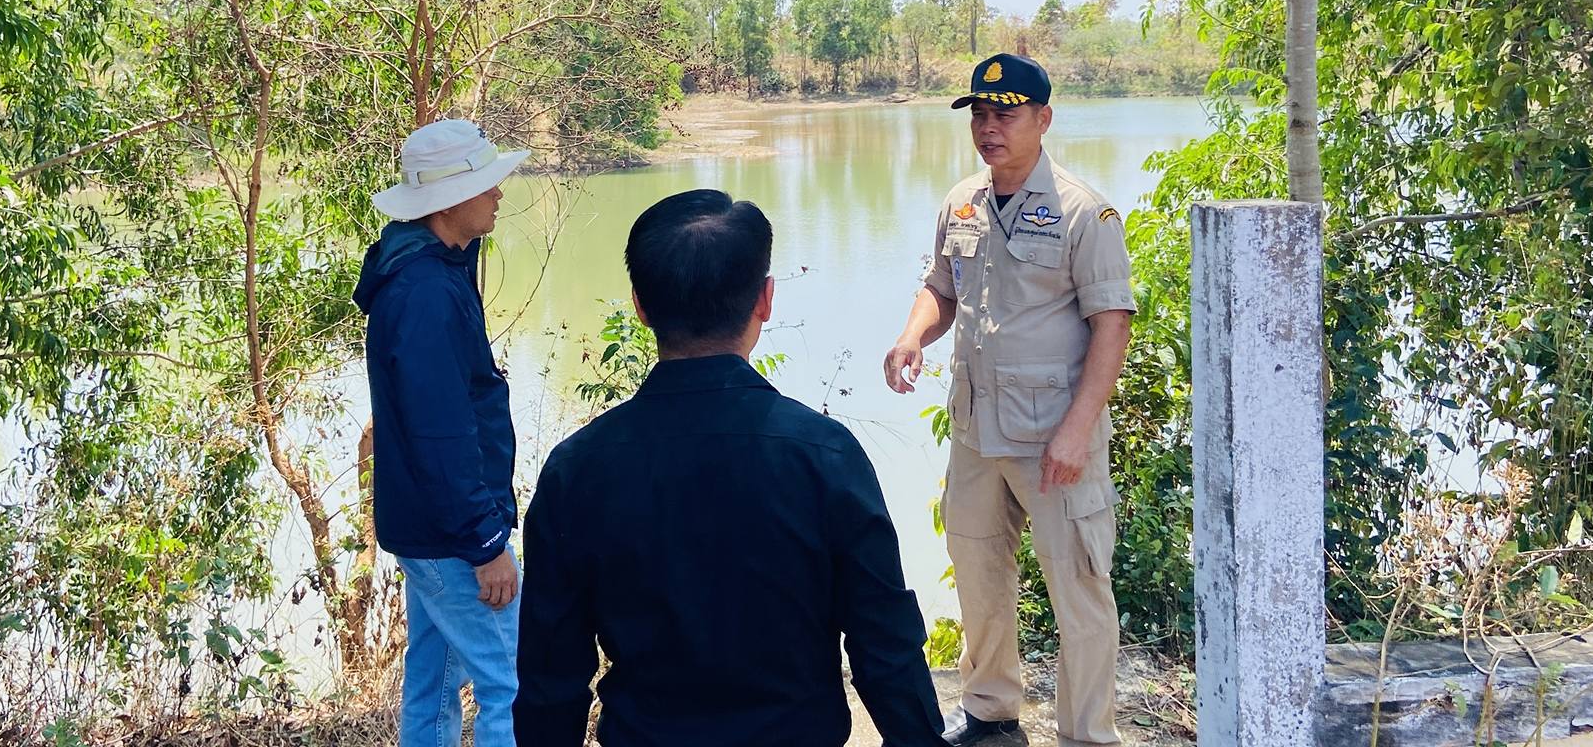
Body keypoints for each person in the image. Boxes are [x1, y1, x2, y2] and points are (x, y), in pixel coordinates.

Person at [513, 189, 948, 747]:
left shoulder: (577, 470)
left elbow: (552, 674)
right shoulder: (824, 456)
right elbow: (884, 642)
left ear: (640, 305)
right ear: (766, 300)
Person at [884, 54, 1135, 747]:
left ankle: (1088, 734)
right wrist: (912, 337)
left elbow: (1111, 322)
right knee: (978, 577)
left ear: (1043, 119)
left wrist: (1078, 430)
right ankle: (992, 709)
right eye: (982, 115)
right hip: (976, 433)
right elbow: (942, 288)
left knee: (1080, 592)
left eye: (1007, 114)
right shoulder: (962, 202)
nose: (990, 129)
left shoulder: (1085, 212)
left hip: (1055, 438)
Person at [353, 118, 529, 747]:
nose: (499, 195)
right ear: (452, 199)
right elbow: (442, 431)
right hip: (451, 535)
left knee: (429, 684)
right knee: (509, 684)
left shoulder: (431, 270)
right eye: (488, 185)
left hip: (427, 529)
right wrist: (485, 543)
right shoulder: (426, 293)